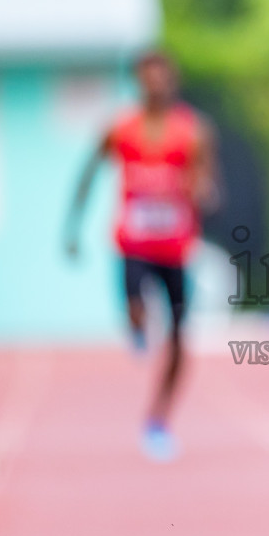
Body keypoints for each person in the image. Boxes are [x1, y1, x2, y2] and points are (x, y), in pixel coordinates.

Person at [65, 51, 219, 462]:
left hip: (175, 248)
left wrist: (199, 190)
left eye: (162, 77)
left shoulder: (194, 131)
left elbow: (210, 187)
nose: (156, 85)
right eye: (147, 78)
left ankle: (158, 419)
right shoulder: (120, 129)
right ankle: (136, 325)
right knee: (137, 313)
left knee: (179, 339)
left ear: (173, 80)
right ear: (138, 82)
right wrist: (72, 228)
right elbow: (88, 174)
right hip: (133, 244)